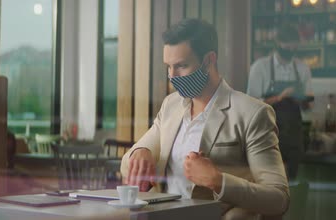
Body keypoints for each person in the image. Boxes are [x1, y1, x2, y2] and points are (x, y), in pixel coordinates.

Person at [120, 19, 289, 220]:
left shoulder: (253, 113)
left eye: (182, 65)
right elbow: (127, 164)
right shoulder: (171, 105)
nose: (172, 76)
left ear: (209, 60)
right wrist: (140, 152)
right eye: (168, 67)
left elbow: (279, 198)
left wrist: (217, 181)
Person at [247, 24, 314, 180]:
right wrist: (279, 97)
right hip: (267, 136)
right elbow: (251, 105)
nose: (291, 49)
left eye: (294, 46)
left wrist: (302, 99)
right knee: (270, 184)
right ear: (278, 43)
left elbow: (309, 106)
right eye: (287, 45)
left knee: (291, 183)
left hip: (294, 138)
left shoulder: (303, 69)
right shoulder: (260, 67)